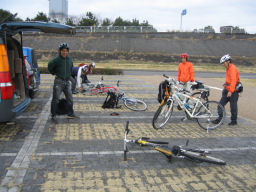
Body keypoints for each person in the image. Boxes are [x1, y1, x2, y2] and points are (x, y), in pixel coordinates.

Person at [48, 43, 79, 120]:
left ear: (68, 51)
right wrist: (53, 73)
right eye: (63, 51)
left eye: (66, 51)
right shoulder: (56, 60)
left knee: (70, 98)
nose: (64, 52)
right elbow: (50, 66)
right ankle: (53, 114)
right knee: (55, 98)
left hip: (67, 82)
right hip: (59, 81)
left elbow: (71, 68)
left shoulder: (69, 59)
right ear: (60, 51)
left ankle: (70, 113)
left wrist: (69, 76)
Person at [214, 54, 240, 126]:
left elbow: (233, 81)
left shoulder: (233, 69)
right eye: (222, 63)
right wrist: (225, 85)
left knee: (233, 107)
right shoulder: (228, 68)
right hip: (227, 90)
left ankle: (234, 121)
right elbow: (229, 80)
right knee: (220, 105)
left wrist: (230, 91)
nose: (223, 64)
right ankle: (220, 119)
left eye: (224, 63)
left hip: (233, 91)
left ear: (228, 61)